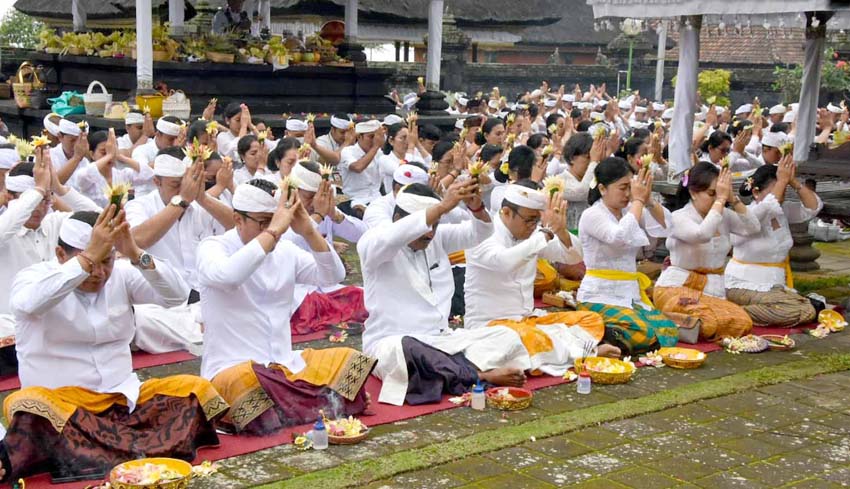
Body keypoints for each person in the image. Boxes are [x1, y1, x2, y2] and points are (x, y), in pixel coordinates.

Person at [1, 207, 227, 482]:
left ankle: (102, 452)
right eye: (92, 264)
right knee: (27, 405)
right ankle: (135, 448)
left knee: (196, 389)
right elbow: (28, 303)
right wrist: (85, 261)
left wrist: (134, 252)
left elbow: (176, 295)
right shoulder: (34, 277)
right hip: (64, 407)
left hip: (124, 403)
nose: (99, 273)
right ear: (61, 255)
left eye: (106, 261)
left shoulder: (120, 273)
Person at [197, 180, 375, 434]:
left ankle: (302, 408)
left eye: (274, 220)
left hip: (285, 364)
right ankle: (329, 403)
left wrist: (309, 232)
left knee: (347, 357)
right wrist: (273, 232)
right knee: (244, 382)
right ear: (238, 219)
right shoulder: (213, 247)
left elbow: (332, 275)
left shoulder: (285, 250)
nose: (273, 228)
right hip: (234, 367)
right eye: (263, 221)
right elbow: (229, 276)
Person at [359, 181, 531, 406]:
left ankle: (449, 372)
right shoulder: (374, 244)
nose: (430, 234)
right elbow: (391, 237)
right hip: (392, 342)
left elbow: (480, 232)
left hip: (441, 340)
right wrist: (441, 207)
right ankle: (479, 376)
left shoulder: (436, 238)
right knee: (404, 351)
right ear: (401, 220)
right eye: (427, 225)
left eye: (436, 226)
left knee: (505, 336)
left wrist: (476, 207)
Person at [464, 180, 614, 375]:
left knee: (590, 319)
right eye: (529, 220)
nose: (533, 226)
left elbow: (573, 256)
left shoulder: (533, 234)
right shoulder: (482, 234)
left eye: (536, 220)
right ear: (507, 212)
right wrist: (543, 234)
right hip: (491, 326)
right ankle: (584, 353)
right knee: (517, 337)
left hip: (528, 321)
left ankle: (551, 355)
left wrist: (560, 230)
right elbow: (505, 262)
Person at [124, 149, 235, 352]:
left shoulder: (198, 204)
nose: (181, 191)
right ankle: (203, 331)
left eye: (184, 185)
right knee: (142, 319)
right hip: (163, 305)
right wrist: (181, 201)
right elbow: (138, 239)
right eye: (175, 186)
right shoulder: (140, 205)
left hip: (203, 299)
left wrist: (202, 198)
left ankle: (202, 330)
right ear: (157, 182)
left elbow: (237, 228)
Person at [0, 151, 100, 359]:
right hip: (10, 326)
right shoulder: (5, 227)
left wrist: (59, 188)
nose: (40, 209)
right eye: (34, 201)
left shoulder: (55, 223)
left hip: (57, 323)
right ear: (9, 198)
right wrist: (37, 190)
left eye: (46, 201)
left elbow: (99, 218)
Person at [576, 157, 678, 355]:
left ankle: (604, 336)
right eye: (622, 188)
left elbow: (668, 225)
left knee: (668, 331)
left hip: (629, 294)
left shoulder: (628, 211)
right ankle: (599, 337)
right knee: (645, 332)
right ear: (603, 189)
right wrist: (638, 201)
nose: (627, 194)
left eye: (630, 187)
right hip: (598, 294)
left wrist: (647, 200)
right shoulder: (592, 214)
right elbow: (619, 237)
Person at [653, 162, 759, 341]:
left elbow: (754, 228)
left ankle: (679, 325)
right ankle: (667, 322)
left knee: (742, 322)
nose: (718, 198)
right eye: (711, 193)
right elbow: (701, 234)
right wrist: (720, 202)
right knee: (707, 320)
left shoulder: (723, 214)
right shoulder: (679, 217)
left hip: (712, 291)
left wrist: (733, 199)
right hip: (676, 288)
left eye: (719, 193)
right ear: (693, 193)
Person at [725, 158, 822, 327]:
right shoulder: (750, 213)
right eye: (778, 189)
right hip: (744, 284)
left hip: (774, 285)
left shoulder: (781, 210)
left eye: (783, 190)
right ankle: (730, 312)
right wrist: (782, 180)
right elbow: (768, 207)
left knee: (811, 306)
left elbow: (813, 208)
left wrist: (793, 182)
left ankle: (735, 310)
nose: (781, 195)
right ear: (756, 192)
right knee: (799, 310)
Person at [285, 161, 370, 335]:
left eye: (318, 196)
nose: (314, 202)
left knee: (372, 297)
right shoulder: (278, 209)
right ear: (294, 190)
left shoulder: (323, 208)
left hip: (329, 286)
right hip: (298, 293)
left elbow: (363, 235)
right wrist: (317, 215)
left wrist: (335, 214)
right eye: (309, 196)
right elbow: (285, 243)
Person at [76, 129, 152, 207]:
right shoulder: (87, 174)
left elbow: (150, 176)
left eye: (113, 152)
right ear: (92, 154)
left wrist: (120, 156)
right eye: (103, 152)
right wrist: (109, 155)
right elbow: (83, 175)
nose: (110, 157)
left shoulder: (123, 174)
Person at [338, 120, 386, 218]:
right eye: (371, 137)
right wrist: (376, 146)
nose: (374, 141)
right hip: (356, 200)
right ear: (359, 137)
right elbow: (357, 167)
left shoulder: (378, 152)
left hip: (377, 198)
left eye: (376, 137)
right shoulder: (348, 151)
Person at [362, 162, 430, 228]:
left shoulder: (425, 202)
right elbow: (390, 235)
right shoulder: (377, 208)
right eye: (419, 193)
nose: (422, 197)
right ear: (398, 189)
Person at [131, 116, 184, 195]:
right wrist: (171, 154)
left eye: (177, 139)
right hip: (146, 199)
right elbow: (142, 169)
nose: (175, 143)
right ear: (158, 134)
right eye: (171, 139)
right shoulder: (141, 150)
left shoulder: (182, 151)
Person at [49, 119, 89, 189]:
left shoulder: (85, 162)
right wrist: (76, 158)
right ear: (60, 137)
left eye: (81, 140)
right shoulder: (48, 157)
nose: (77, 145)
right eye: (73, 140)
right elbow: (51, 186)